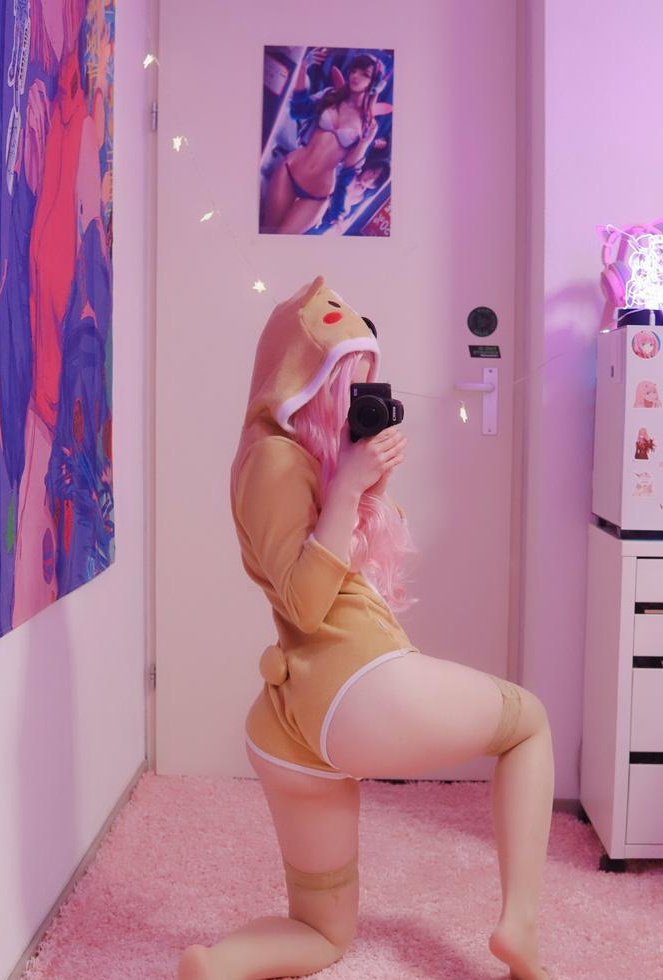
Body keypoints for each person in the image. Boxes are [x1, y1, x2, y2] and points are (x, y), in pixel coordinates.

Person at [177, 276, 554, 980]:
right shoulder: (276, 458)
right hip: (353, 687)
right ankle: (521, 927)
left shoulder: (286, 456)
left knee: (323, 932)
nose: (353, 398)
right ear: (303, 379)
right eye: (344, 381)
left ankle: (218, 964)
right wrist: (348, 487)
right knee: (527, 724)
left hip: (291, 723)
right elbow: (306, 603)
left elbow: (330, 565)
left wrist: (361, 488)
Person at [261, 51, 391, 235]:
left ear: (375, 84)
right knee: (267, 233)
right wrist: (302, 68)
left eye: (365, 74)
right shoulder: (331, 95)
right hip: (290, 169)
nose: (356, 76)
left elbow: (349, 170)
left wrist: (339, 210)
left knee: (283, 240)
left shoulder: (368, 125)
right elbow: (299, 110)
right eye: (354, 70)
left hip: (317, 193)